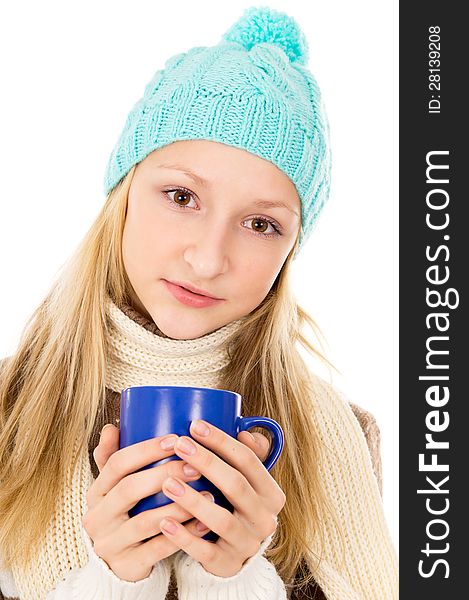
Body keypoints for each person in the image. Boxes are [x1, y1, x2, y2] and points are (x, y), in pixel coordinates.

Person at [0, 5, 398, 599]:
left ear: (289, 251)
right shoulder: (9, 414)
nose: (209, 259)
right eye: (181, 195)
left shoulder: (335, 438)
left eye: (261, 224)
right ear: (124, 196)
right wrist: (112, 583)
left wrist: (236, 581)